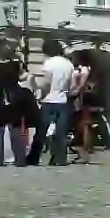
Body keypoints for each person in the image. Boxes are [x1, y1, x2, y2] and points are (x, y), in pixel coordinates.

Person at [26, 38, 75, 166]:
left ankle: (33, 158)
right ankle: (60, 158)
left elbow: (46, 83)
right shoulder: (69, 64)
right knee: (61, 132)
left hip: (49, 100)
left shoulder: (48, 63)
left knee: (41, 131)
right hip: (63, 100)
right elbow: (72, 85)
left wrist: (40, 94)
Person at [0, 43, 25, 167]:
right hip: (14, 99)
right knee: (15, 128)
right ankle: (20, 160)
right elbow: (21, 76)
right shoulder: (15, 65)